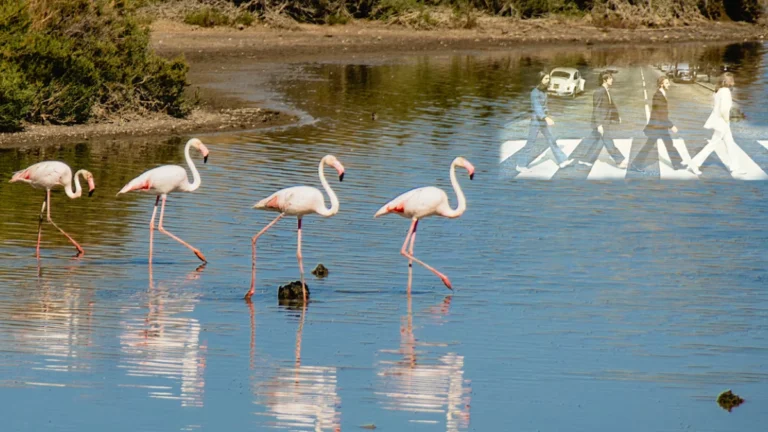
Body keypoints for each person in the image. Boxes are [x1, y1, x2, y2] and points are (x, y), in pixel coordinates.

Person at [632, 76, 701, 175]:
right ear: (661, 84)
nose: (669, 85)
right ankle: (636, 164)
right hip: (657, 126)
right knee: (649, 146)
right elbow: (661, 114)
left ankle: (677, 164)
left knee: (669, 144)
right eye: (667, 83)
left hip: (661, 126)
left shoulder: (662, 93)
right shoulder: (658, 96)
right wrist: (671, 125)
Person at [516, 71, 574, 173]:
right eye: (546, 78)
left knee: (551, 140)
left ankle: (562, 161)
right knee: (530, 143)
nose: (548, 80)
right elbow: (537, 107)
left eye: (549, 78)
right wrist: (546, 118)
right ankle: (520, 165)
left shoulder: (543, 91)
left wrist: (546, 116)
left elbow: (544, 106)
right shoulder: (534, 93)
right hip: (536, 121)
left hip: (542, 121)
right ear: (540, 80)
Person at [691, 72, 746, 175]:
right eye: (732, 80)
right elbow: (724, 109)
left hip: (720, 121)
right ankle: (694, 163)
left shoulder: (719, 90)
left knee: (730, 144)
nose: (733, 81)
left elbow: (715, 106)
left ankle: (735, 168)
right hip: (723, 122)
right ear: (728, 81)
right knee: (713, 144)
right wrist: (726, 121)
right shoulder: (725, 91)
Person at [576, 71, 627, 168]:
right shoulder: (599, 92)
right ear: (604, 80)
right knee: (608, 142)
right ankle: (619, 161)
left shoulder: (606, 91)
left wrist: (616, 117)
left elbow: (611, 105)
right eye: (610, 78)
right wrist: (599, 125)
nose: (612, 80)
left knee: (593, 140)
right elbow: (597, 109)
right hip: (602, 123)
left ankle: (585, 159)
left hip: (604, 121)